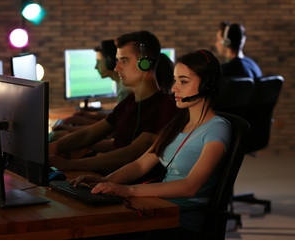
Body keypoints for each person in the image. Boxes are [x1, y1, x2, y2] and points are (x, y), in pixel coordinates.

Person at [71, 49, 232, 239]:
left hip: (180, 222)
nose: (174, 88)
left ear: (207, 86)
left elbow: (190, 186)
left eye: (184, 82)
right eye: (175, 80)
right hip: (158, 208)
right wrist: (106, 181)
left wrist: (128, 190)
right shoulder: (178, 122)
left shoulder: (217, 129)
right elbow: (141, 164)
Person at [49, 31, 178, 177]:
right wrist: (50, 148)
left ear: (145, 63)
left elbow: (130, 154)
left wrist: (71, 165)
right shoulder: (130, 101)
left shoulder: (164, 107)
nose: (116, 68)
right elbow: (89, 134)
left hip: (127, 187)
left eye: (124, 60)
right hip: (108, 179)